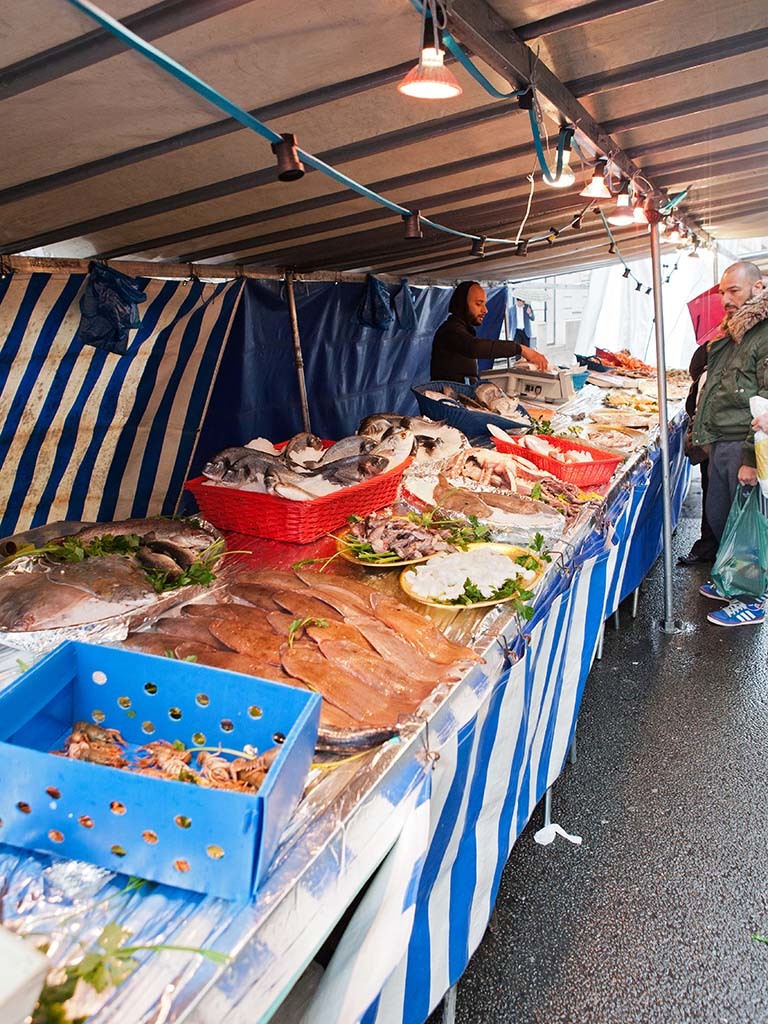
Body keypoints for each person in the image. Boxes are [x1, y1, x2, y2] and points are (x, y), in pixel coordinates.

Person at [691, 260, 768, 626]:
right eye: (722, 291)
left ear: (757, 288)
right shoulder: (735, 333)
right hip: (722, 441)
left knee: (747, 527)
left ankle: (752, 598)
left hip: (743, 443)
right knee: (722, 519)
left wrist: (753, 459)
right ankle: (729, 580)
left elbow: (766, 400)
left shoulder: (764, 334)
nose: (725, 299)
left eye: (733, 290)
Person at [431, 281, 548, 382]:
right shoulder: (450, 330)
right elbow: (475, 347)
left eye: (484, 304)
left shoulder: (463, 330)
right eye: (478, 304)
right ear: (462, 305)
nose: (485, 310)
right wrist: (522, 349)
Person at [677, 342, 718, 565]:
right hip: (709, 439)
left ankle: (725, 555)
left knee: (721, 498)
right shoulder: (711, 347)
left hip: (726, 438)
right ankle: (708, 547)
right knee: (711, 493)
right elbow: (695, 370)